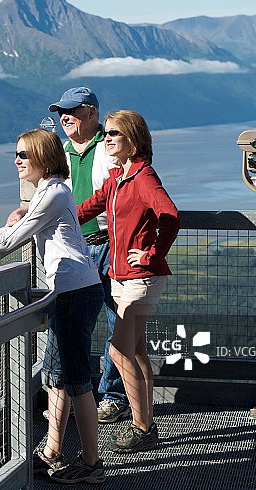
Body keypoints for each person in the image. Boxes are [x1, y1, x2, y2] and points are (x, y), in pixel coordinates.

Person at [0, 129, 105, 484]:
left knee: (76, 382)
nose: (17, 160)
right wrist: (22, 214)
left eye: (23, 154)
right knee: (57, 377)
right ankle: (52, 451)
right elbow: (23, 226)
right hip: (71, 291)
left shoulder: (53, 193)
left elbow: (9, 241)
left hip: (74, 294)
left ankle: (91, 464)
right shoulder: (50, 192)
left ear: (41, 156)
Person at [9, 86, 131, 425]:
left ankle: (113, 396)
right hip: (78, 245)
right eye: (61, 111)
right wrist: (27, 210)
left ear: (91, 112)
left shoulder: (109, 147)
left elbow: (126, 194)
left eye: (72, 110)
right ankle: (63, 397)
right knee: (68, 329)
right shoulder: (60, 151)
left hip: (108, 242)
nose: (64, 117)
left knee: (115, 324)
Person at [76, 110, 180, 454]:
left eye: (113, 134)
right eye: (105, 133)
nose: (106, 138)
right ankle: (145, 421)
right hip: (120, 277)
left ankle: (141, 426)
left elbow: (171, 215)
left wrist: (150, 254)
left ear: (132, 139)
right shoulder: (118, 178)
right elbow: (87, 208)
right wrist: (38, 213)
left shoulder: (143, 177)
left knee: (120, 350)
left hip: (141, 278)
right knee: (135, 350)